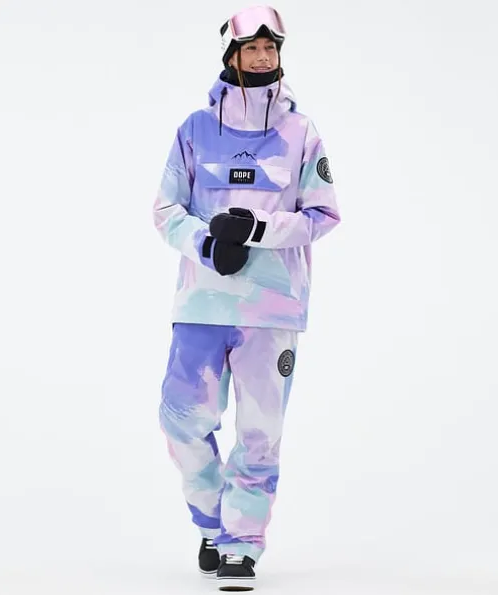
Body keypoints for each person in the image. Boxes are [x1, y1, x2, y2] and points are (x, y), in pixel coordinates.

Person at [153, 5, 340, 590]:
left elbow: (322, 214)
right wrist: (207, 244)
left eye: (271, 48)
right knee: (180, 419)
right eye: (252, 48)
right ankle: (213, 522)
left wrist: (258, 228)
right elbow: (166, 209)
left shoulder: (301, 133)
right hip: (202, 305)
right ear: (231, 54)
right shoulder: (194, 129)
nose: (262, 57)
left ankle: (241, 545)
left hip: (273, 309)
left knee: (260, 432)